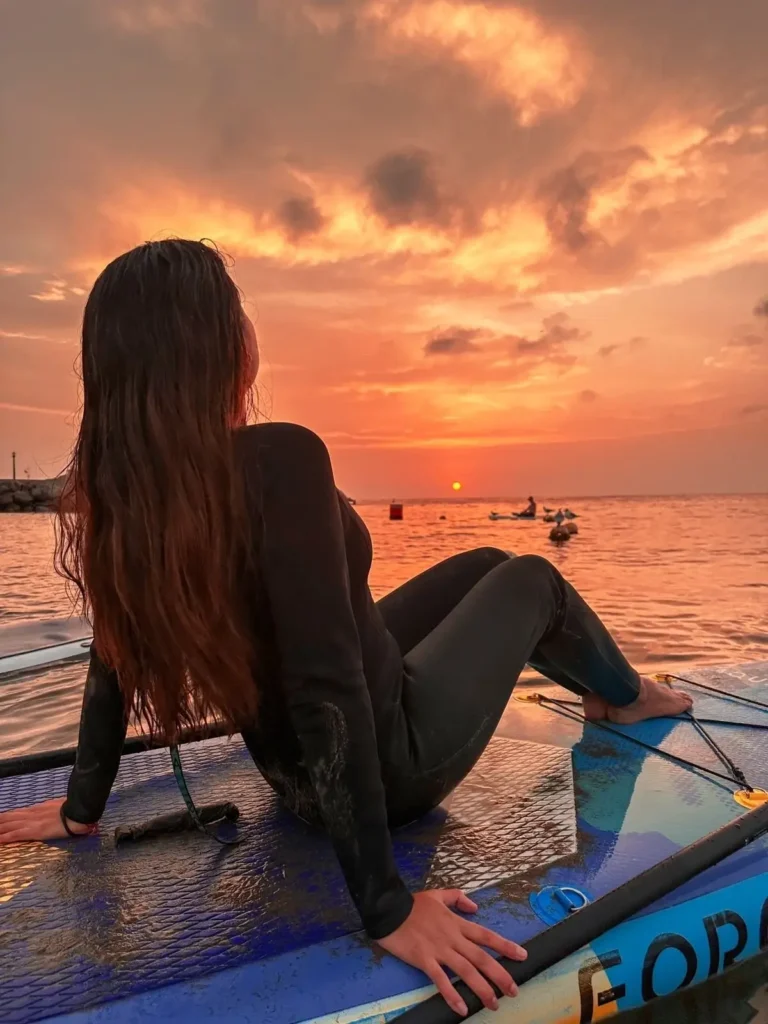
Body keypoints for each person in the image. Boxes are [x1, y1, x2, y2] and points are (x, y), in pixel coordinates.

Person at [0, 240, 692, 1017]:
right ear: (218, 348)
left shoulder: (139, 498)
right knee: (532, 578)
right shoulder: (280, 458)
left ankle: (599, 689)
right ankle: (627, 697)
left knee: (488, 560)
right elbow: (326, 686)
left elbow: (111, 659)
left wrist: (80, 806)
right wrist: (386, 908)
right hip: (388, 768)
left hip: (296, 776)